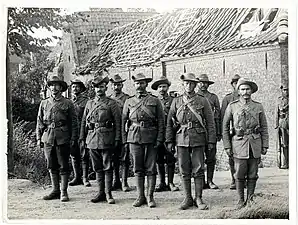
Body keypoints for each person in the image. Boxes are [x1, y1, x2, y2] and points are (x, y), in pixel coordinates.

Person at [166, 73, 216, 210]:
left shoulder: (202, 100)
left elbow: (210, 122)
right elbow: (170, 123)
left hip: (198, 138)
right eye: (186, 83)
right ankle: (187, 198)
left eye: (192, 83)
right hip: (181, 138)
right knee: (183, 169)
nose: (189, 86)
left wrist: (211, 141)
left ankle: (199, 197)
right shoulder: (176, 101)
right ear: (183, 85)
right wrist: (169, 141)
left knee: (199, 168)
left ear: (195, 85)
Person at [222, 78, 269, 209]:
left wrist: (265, 144)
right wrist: (227, 146)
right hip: (239, 144)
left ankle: (250, 199)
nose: (245, 91)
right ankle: (240, 200)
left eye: (248, 89)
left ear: (252, 91)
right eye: (242, 89)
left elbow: (264, 127)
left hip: (254, 143)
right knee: (239, 173)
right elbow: (225, 127)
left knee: (253, 174)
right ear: (238, 91)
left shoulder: (258, 106)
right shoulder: (232, 106)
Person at [122, 73, 165, 208]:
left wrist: (159, 138)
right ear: (134, 85)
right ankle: (140, 196)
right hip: (134, 138)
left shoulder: (155, 101)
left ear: (146, 84)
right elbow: (123, 121)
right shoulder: (129, 101)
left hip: (151, 138)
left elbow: (161, 122)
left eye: (142, 83)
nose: (139, 86)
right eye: (137, 83)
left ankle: (150, 197)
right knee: (137, 168)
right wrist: (125, 140)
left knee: (151, 169)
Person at [79, 73, 121, 204]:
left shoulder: (112, 104)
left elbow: (118, 122)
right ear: (94, 88)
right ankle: (101, 192)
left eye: (102, 87)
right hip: (92, 139)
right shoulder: (89, 103)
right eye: (96, 87)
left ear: (106, 88)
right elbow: (83, 122)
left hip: (107, 138)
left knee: (108, 166)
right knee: (97, 167)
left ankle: (109, 194)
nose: (99, 89)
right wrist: (82, 138)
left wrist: (117, 139)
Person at [36, 75, 78, 202]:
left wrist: (73, 138)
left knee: (63, 165)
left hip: (62, 137)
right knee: (51, 164)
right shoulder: (44, 103)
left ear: (61, 87)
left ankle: (64, 192)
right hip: (48, 137)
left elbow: (74, 122)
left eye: (56, 85)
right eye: (51, 85)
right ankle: (55, 190)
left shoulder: (68, 103)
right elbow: (39, 121)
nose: (54, 87)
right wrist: (39, 138)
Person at [151, 76, 179, 192]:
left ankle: (171, 182)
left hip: (170, 132)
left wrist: (175, 127)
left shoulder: (173, 100)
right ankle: (162, 182)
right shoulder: (153, 100)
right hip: (157, 133)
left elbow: (177, 116)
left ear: (168, 88)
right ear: (157, 89)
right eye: (160, 87)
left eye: (164, 86)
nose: (162, 89)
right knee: (158, 158)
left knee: (170, 158)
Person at [197, 74, 221, 189]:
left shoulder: (213, 97)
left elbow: (218, 116)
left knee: (211, 157)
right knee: (199, 157)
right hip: (199, 130)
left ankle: (210, 180)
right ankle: (201, 181)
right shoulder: (195, 97)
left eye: (205, 83)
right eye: (201, 82)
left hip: (211, 130)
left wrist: (218, 132)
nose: (203, 85)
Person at [109, 74, 131, 192]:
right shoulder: (108, 99)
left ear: (122, 85)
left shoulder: (127, 99)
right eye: (114, 85)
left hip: (124, 130)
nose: (116, 87)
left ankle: (125, 182)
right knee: (113, 158)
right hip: (111, 132)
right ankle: (116, 180)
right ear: (111, 86)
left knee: (124, 157)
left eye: (118, 84)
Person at [69, 79, 91, 187]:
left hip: (83, 131)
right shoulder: (69, 102)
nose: (75, 88)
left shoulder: (86, 101)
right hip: (72, 131)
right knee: (73, 154)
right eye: (73, 86)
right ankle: (76, 177)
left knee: (84, 154)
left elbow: (88, 116)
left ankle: (85, 178)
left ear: (81, 89)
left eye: (77, 87)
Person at [220, 74, 241, 190]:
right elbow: (224, 119)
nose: (237, 85)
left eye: (239, 83)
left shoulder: (247, 98)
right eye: (235, 83)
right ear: (232, 85)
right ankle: (234, 179)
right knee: (232, 157)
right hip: (232, 133)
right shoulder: (227, 99)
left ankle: (244, 179)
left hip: (244, 133)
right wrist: (225, 136)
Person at [275, 81, 289, 169]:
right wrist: (276, 125)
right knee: (284, 144)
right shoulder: (279, 100)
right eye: (284, 90)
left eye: (287, 90)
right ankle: (285, 162)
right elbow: (276, 112)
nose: (286, 92)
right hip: (283, 122)